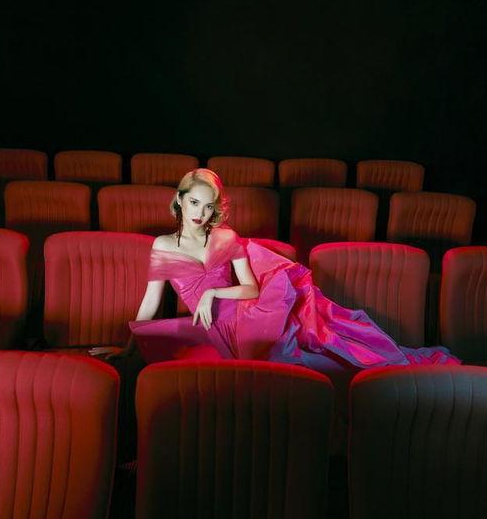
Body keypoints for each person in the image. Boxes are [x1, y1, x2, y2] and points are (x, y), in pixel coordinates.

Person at [90, 167, 459, 450]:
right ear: (179, 200)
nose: (200, 213)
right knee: (160, 370)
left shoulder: (225, 237)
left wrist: (213, 293)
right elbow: (151, 301)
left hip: (245, 317)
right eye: (193, 203)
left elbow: (250, 288)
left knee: (309, 364)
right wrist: (129, 344)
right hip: (207, 328)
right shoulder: (162, 245)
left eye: (208, 205)